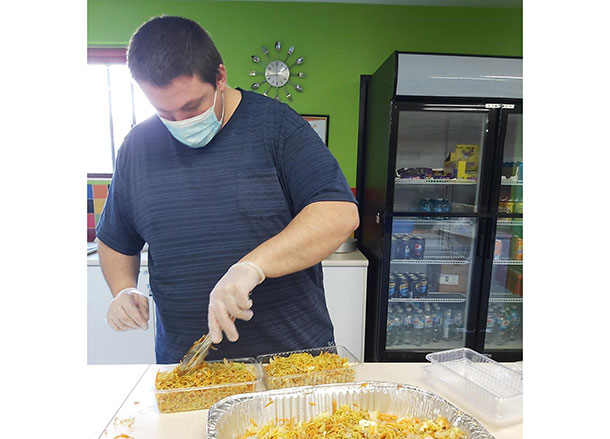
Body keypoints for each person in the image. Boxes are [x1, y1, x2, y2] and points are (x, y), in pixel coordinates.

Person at [97, 15, 359, 364]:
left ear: (220, 77)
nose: (181, 121)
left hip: (292, 363)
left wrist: (252, 267)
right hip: (189, 369)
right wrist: (123, 290)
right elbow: (115, 239)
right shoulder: (137, 147)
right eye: (164, 111)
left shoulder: (277, 128)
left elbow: (338, 214)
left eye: (192, 106)